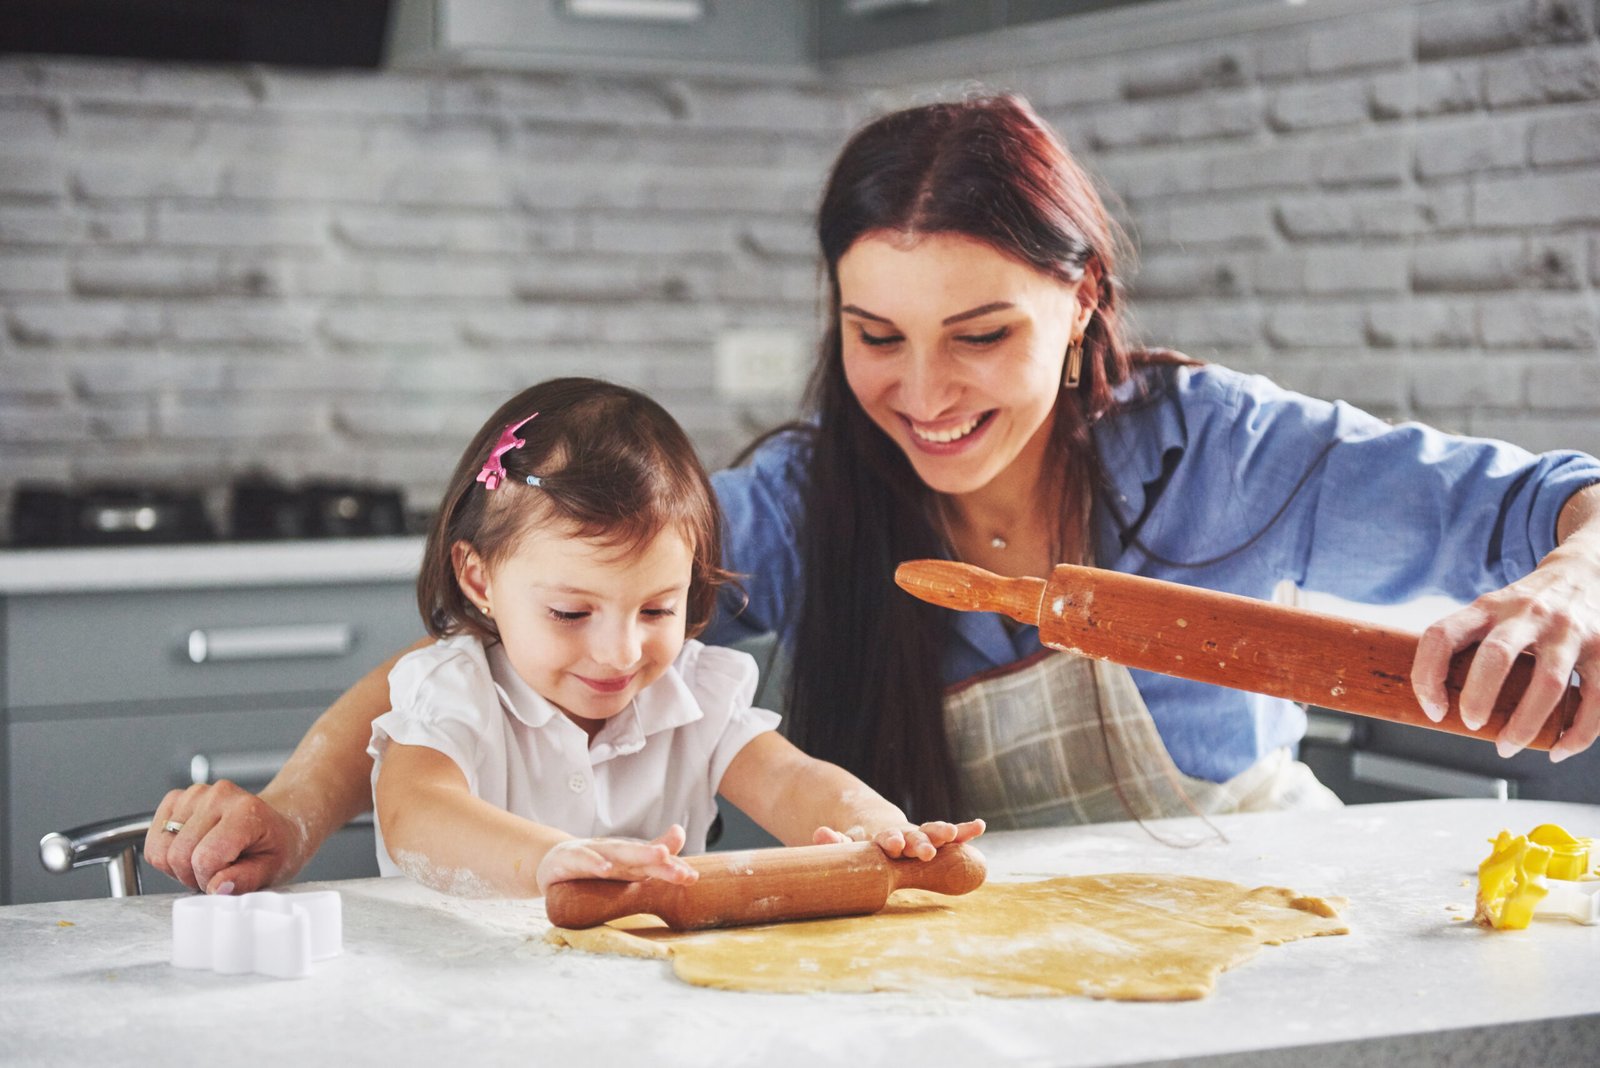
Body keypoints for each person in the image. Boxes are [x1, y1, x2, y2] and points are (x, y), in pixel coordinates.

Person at [146, 94, 1600, 895]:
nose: (924, 396)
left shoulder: (1218, 445)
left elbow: (1570, 505)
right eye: (874, 337)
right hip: (946, 967)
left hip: (1251, 922)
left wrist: (1570, 583)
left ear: (1082, 299)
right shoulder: (799, 500)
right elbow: (464, 673)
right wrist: (290, 806)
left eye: (983, 337)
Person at [376, 377, 980, 897]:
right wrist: (544, 861)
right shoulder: (453, 688)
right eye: (570, 613)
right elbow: (415, 811)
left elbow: (790, 779)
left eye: (657, 609)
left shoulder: (691, 694)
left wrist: (872, 823)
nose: (622, 653)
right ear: (478, 577)